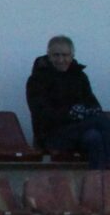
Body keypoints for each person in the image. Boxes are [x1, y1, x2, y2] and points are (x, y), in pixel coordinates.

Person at [27, 35, 110, 164]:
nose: (61, 60)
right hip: (52, 136)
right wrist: (71, 113)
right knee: (101, 121)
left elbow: (94, 106)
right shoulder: (37, 80)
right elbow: (41, 114)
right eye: (56, 55)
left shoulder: (80, 77)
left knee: (94, 137)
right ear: (49, 56)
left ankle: (98, 176)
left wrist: (84, 112)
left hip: (80, 131)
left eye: (65, 55)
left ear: (72, 56)